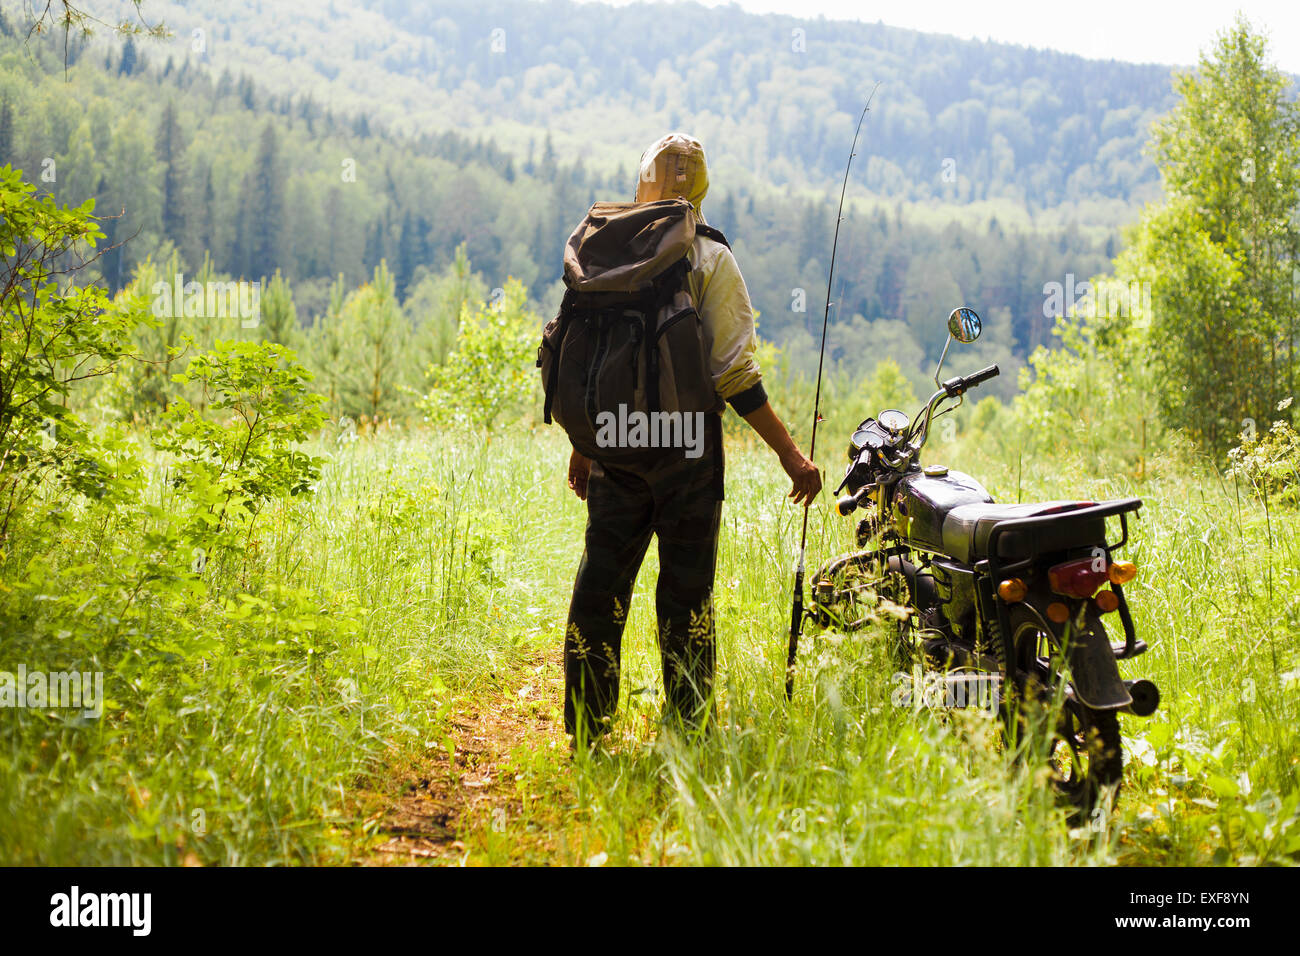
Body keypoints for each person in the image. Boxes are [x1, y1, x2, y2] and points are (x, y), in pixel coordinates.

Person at [563, 132, 821, 744]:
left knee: (601, 588)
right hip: (687, 452)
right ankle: (688, 732)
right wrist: (792, 457)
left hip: (616, 445)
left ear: (641, 179)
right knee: (686, 598)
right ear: (702, 187)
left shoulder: (606, 249)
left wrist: (586, 442)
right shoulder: (710, 258)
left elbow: (592, 362)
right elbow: (735, 375)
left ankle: (587, 730)